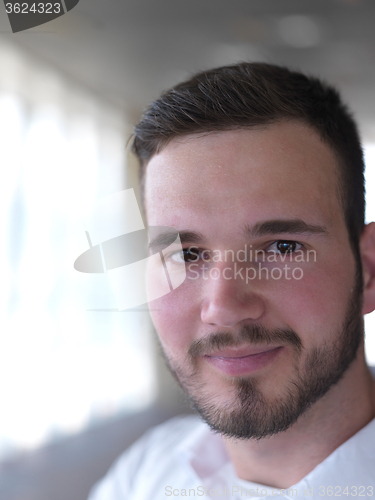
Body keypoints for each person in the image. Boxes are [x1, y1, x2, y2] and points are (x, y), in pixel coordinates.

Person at [88, 62, 375, 499]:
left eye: (281, 247)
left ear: (368, 271)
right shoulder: (147, 471)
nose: (222, 306)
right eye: (186, 255)